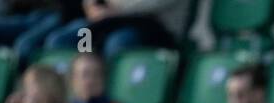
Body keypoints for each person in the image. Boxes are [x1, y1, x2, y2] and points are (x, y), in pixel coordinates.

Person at [43, 0, 186, 60]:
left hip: (151, 29)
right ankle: (77, 96)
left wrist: (118, 8)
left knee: (116, 43)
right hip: (107, 22)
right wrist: (91, 5)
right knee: (63, 40)